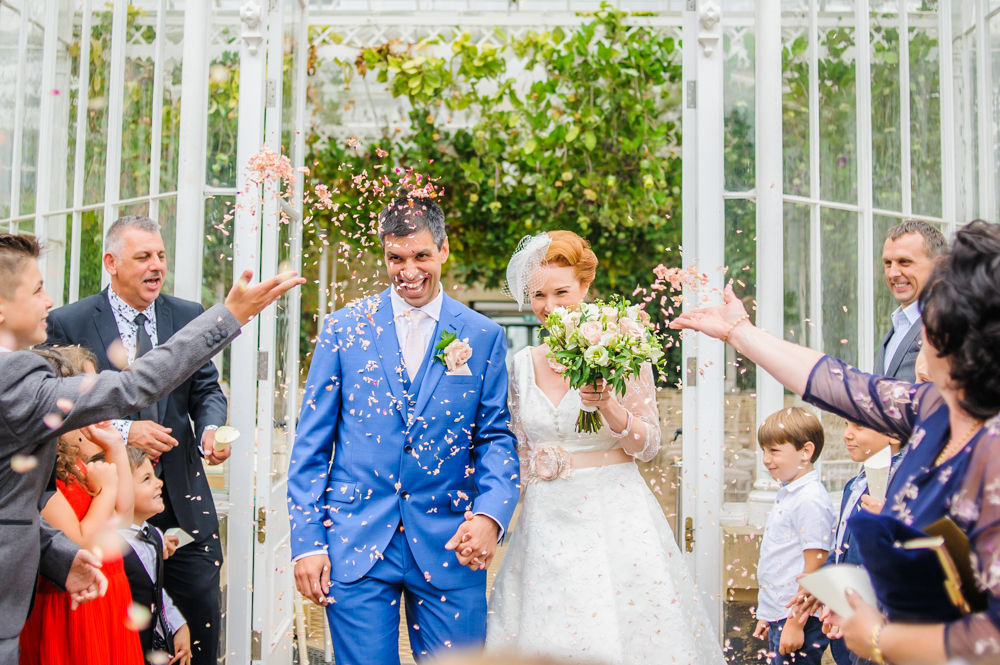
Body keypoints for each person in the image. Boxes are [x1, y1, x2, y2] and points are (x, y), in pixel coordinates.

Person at [670, 219, 1000, 665]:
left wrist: (884, 639)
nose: (921, 329)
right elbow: (837, 383)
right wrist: (739, 332)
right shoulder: (935, 407)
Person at [0, 232, 302, 665]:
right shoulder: (14, 378)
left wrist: (59, 557)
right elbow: (129, 386)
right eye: (36, 289)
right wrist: (229, 316)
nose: (48, 301)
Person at [287, 196, 520, 665]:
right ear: (384, 254)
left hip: (450, 541)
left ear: (444, 250)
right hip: (356, 540)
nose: (408, 270)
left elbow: (496, 438)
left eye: (420, 256)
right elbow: (310, 446)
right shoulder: (342, 329)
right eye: (395, 258)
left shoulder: (483, 336)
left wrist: (491, 517)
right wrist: (308, 543)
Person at [484, 231, 723, 665]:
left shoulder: (622, 349)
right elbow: (517, 450)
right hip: (544, 524)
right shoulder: (519, 365)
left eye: (561, 291)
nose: (550, 305)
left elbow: (648, 445)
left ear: (585, 287)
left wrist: (610, 406)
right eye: (538, 294)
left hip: (613, 516)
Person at [46, 216, 228, 665]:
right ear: (111, 262)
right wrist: (126, 431)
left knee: (201, 621)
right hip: (106, 505)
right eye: (143, 256)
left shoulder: (187, 314)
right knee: (128, 634)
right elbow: (64, 403)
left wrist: (208, 429)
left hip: (184, 499)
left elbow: (206, 389)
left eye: (161, 256)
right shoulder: (68, 321)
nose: (156, 266)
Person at [18, 345, 143, 665]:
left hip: (111, 591)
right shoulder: (46, 471)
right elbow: (77, 543)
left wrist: (115, 445)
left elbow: (124, 516)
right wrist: (105, 492)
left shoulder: (79, 464)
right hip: (69, 603)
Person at [751, 407, 835, 665]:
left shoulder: (809, 499)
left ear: (805, 452)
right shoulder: (790, 493)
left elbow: (814, 567)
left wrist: (795, 624)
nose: (766, 459)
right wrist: (768, 614)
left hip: (799, 620)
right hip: (781, 616)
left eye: (774, 451)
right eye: (764, 451)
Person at [816, 421, 900, 665]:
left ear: (893, 434)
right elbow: (842, 549)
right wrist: (826, 591)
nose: (846, 434)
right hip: (846, 623)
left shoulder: (903, 489)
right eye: (845, 424)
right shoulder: (853, 486)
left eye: (859, 427)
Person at [119, 445, 192, 665]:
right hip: (127, 647)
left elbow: (156, 592)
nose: (158, 482)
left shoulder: (154, 535)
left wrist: (179, 626)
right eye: (146, 479)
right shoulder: (113, 546)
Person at [873, 220, 946, 381]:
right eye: (887, 263)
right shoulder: (897, 325)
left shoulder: (951, 324)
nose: (893, 273)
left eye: (904, 262)